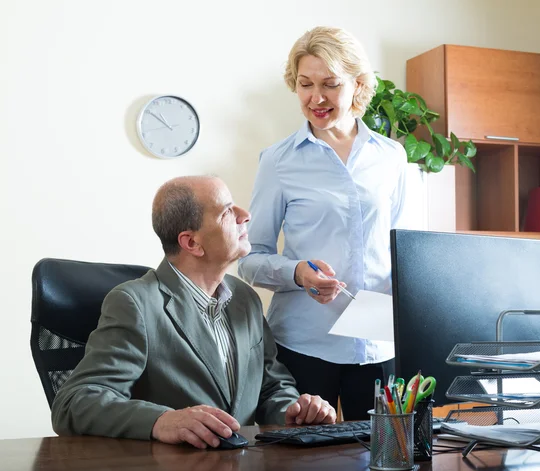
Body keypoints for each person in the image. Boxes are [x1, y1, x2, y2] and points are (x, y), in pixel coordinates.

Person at [52, 175, 336, 449]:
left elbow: (272, 386)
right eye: (227, 212)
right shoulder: (134, 303)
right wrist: (161, 421)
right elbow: (74, 402)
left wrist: (294, 410)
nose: (245, 214)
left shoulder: (245, 299)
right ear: (192, 243)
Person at [237, 26, 408, 420]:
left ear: (358, 85)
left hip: (379, 343)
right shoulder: (278, 161)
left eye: (330, 84)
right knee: (305, 459)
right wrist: (297, 272)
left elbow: (405, 248)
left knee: (387, 456)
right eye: (305, 84)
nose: (316, 98)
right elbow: (250, 258)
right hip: (305, 343)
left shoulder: (391, 157)